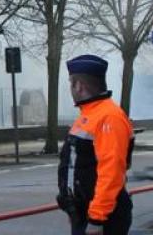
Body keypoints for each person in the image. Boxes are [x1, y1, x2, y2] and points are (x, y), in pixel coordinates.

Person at [57, 54, 135, 235]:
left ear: (79, 85)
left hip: (104, 217)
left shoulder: (108, 117)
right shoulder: (90, 115)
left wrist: (97, 218)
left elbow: (111, 171)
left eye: (71, 83)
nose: (70, 89)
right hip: (85, 212)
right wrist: (73, 207)